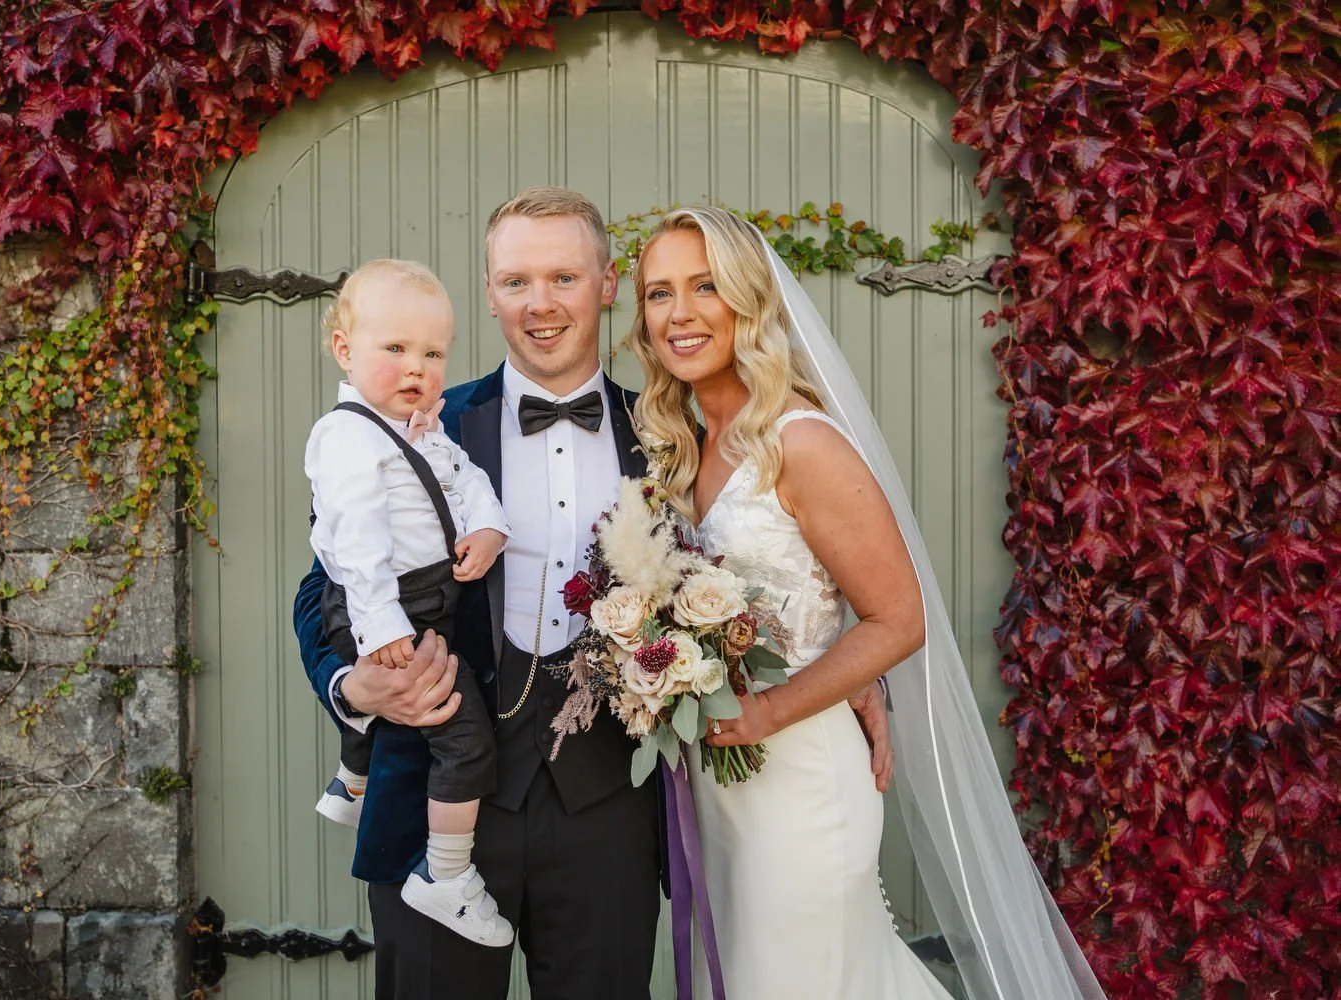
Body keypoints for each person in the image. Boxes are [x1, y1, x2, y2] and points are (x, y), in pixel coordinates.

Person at [292, 187, 895, 1000]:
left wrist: (857, 675)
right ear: (489, 290)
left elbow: (768, 565)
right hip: (436, 808)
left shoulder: (673, 440)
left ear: (608, 285)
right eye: (515, 282)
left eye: (565, 278)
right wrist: (350, 685)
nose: (540, 305)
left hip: (609, 809)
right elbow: (321, 583)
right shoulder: (419, 427)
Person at [627, 206, 1106, 1000]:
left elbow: (900, 617)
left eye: (706, 287)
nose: (680, 314)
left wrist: (774, 710)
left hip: (802, 782)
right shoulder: (677, 448)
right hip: (715, 787)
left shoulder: (802, 443)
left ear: (750, 299)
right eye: (658, 293)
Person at [304, 259, 513, 947]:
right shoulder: (345, 437)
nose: (416, 366)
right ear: (345, 349)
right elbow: (354, 548)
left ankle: (348, 779)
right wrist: (379, 627)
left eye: (432, 352)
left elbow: (462, 478)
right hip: (393, 606)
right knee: (463, 738)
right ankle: (444, 876)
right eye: (394, 348)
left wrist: (488, 526)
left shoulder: (418, 425)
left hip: (427, 597)